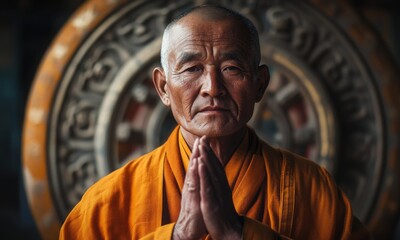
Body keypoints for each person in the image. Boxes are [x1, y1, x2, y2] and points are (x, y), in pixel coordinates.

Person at [59, 5, 369, 240]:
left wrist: (238, 233)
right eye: (192, 68)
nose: (212, 87)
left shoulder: (314, 190)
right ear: (163, 88)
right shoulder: (107, 203)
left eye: (232, 68)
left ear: (260, 84)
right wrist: (177, 236)